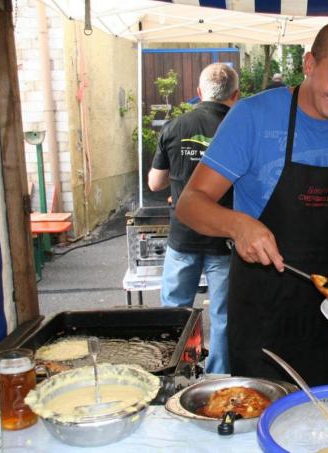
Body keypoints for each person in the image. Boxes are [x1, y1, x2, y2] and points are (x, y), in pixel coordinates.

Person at [175, 22, 328, 386]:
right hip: (263, 307)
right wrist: (236, 224)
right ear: (309, 64)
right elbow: (190, 203)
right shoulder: (252, 117)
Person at [147, 63, 240, 374]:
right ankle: (219, 378)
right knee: (226, 314)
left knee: (176, 310)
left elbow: (155, 183)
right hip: (225, 238)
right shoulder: (242, 128)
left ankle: (174, 372)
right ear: (236, 95)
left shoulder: (175, 127)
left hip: (183, 236)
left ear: (199, 93)